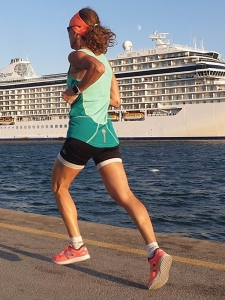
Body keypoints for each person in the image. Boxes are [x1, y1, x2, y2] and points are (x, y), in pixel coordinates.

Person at [50, 7, 172, 290]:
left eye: (68, 30)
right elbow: (115, 100)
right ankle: (155, 252)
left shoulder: (77, 57)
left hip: (83, 131)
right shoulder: (105, 59)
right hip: (106, 135)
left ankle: (76, 245)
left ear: (78, 31)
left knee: (59, 187)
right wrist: (94, 91)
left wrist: (76, 91)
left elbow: (96, 69)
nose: (67, 35)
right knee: (125, 196)